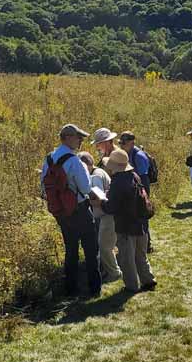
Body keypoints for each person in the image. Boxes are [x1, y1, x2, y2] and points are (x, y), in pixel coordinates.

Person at [40, 124, 102, 298]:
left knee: (71, 248)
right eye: (78, 137)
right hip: (79, 209)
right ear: (67, 138)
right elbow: (85, 188)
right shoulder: (74, 161)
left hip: (60, 211)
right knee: (91, 248)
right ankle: (94, 288)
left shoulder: (49, 159)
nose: (81, 140)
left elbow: (43, 185)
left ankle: (71, 289)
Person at [102, 149, 156, 293]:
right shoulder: (134, 176)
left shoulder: (117, 182)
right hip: (141, 222)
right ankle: (148, 280)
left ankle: (132, 286)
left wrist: (101, 202)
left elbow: (111, 208)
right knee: (141, 255)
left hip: (126, 225)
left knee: (127, 258)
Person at [79, 151, 122, 283]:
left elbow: (98, 199)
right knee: (107, 245)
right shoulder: (97, 172)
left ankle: (114, 273)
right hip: (107, 214)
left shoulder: (95, 176)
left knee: (105, 247)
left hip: (107, 215)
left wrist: (86, 201)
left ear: (86, 165)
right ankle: (109, 269)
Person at [118, 131, 154, 252]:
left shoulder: (139, 156)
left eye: (124, 143)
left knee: (143, 212)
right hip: (134, 186)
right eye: (121, 143)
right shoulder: (126, 153)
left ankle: (147, 245)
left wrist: (142, 194)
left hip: (142, 186)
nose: (122, 146)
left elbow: (143, 177)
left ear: (132, 143)